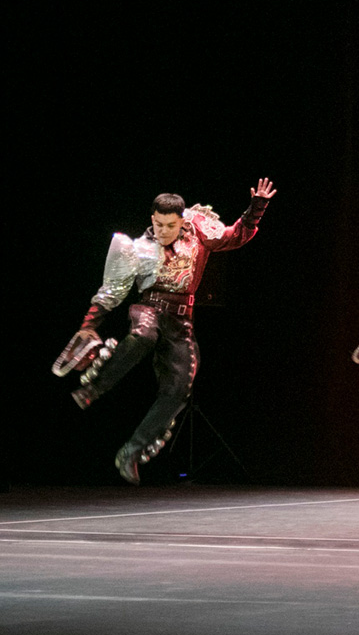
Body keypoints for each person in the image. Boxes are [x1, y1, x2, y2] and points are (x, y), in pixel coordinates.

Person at [58, 180, 276, 485]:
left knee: (180, 387)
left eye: (170, 225)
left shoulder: (199, 230)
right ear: (152, 219)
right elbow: (112, 292)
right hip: (149, 307)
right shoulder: (138, 248)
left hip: (181, 320)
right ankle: (94, 389)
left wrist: (257, 208)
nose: (163, 231)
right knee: (143, 335)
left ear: (182, 220)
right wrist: (88, 325)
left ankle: (131, 451)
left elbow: (234, 236)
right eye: (158, 224)